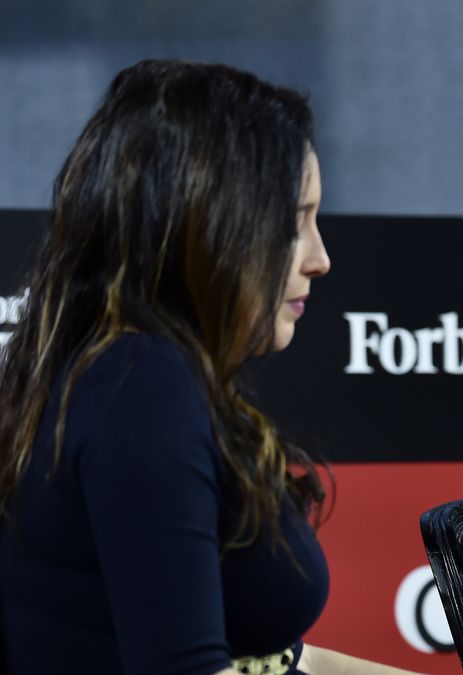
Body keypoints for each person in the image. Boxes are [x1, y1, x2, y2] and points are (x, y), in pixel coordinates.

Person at [0, 60, 415, 675]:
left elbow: (281, 665)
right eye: (295, 221)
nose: (321, 258)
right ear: (209, 220)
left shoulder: (122, 374)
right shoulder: (141, 386)